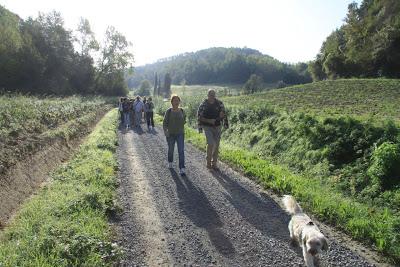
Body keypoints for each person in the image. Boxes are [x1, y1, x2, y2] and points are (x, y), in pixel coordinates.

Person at [197, 89, 229, 169]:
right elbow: (199, 117)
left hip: (217, 126)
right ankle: (208, 162)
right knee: (210, 143)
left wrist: (225, 123)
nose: (212, 96)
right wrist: (203, 125)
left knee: (217, 145)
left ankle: (214, 163)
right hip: (207, 127)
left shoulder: (219, 103)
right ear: (207, 95)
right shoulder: (203, 104)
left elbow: (224, 114)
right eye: (210, 95)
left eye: (213, 95)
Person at [163, 95, 186, 175]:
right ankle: (170, 162)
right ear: (172, 102)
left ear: (179, 102)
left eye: (177, 101)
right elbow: (165, 122)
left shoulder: (182, 111)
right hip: (171, 134)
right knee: (171, 150)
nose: (176, 102)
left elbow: (184, 120)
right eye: (174, 100)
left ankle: (182, 168)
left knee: (181, 151)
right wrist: (165, 131)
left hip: (180, 134)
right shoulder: (168, 111)